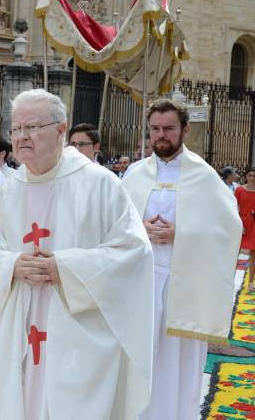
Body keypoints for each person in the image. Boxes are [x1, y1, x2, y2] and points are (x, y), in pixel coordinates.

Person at [0, 89, 154, 419]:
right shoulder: (8, 190)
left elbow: (134, 252)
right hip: (19, 326)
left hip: (77, 332)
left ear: (61, 130)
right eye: (17, 128)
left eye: (32, 127)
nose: (22, 137)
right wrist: (12, 266)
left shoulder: (99, 184)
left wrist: (64, 267)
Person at [122, 99, 242, 420]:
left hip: (183, 283)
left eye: (169, 128)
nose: (161, 135)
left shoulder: (204, 177)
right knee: (139, 362)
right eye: (155, 129)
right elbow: (113, 225)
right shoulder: (134, 174)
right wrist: (139, 228)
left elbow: (228, 231)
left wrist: (181, 233)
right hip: (141, 284)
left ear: (185, 130)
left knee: (178, 366)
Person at [236, 167, 255, 293]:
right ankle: (228, 280)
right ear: (246, 176)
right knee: (234, 253)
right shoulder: (239, 190)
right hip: (242, 224)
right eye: (250, 175)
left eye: (254, 176)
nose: (252, 178)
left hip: (254, 224)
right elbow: (233, 207)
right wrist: (239, 224)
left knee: (253, 254)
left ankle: (250, 283)